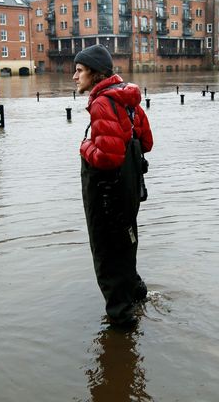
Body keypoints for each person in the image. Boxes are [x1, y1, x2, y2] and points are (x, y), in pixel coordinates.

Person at [73, 44, 154, 327]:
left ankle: (121, 323)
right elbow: (146, 143)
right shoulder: (127, 101)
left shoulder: (101, 103)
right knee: (126, 239)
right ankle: (137, 291)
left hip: (107, 191)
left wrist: (85, 147)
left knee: (107, 251)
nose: (75, 76)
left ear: (95, 74)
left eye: (80, 70)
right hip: (129, 189)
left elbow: (107, 158)